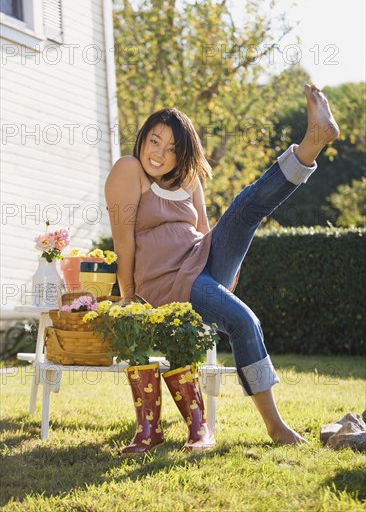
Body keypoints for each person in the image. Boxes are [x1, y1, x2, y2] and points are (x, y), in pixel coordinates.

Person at [105, 84, 339, 450]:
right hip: (166, 283)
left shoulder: (188, 178)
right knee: (245, 321)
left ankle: (313, 142)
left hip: (202, 264)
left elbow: (203, 232)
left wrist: (229, 267)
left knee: (245, 207)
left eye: (170, 149)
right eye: (154, 141)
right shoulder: (128, 170)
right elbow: (123, 241)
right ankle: (276, 427)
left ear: (182, 154)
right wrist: (130, 296)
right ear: (142, 139)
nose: (159, 154)